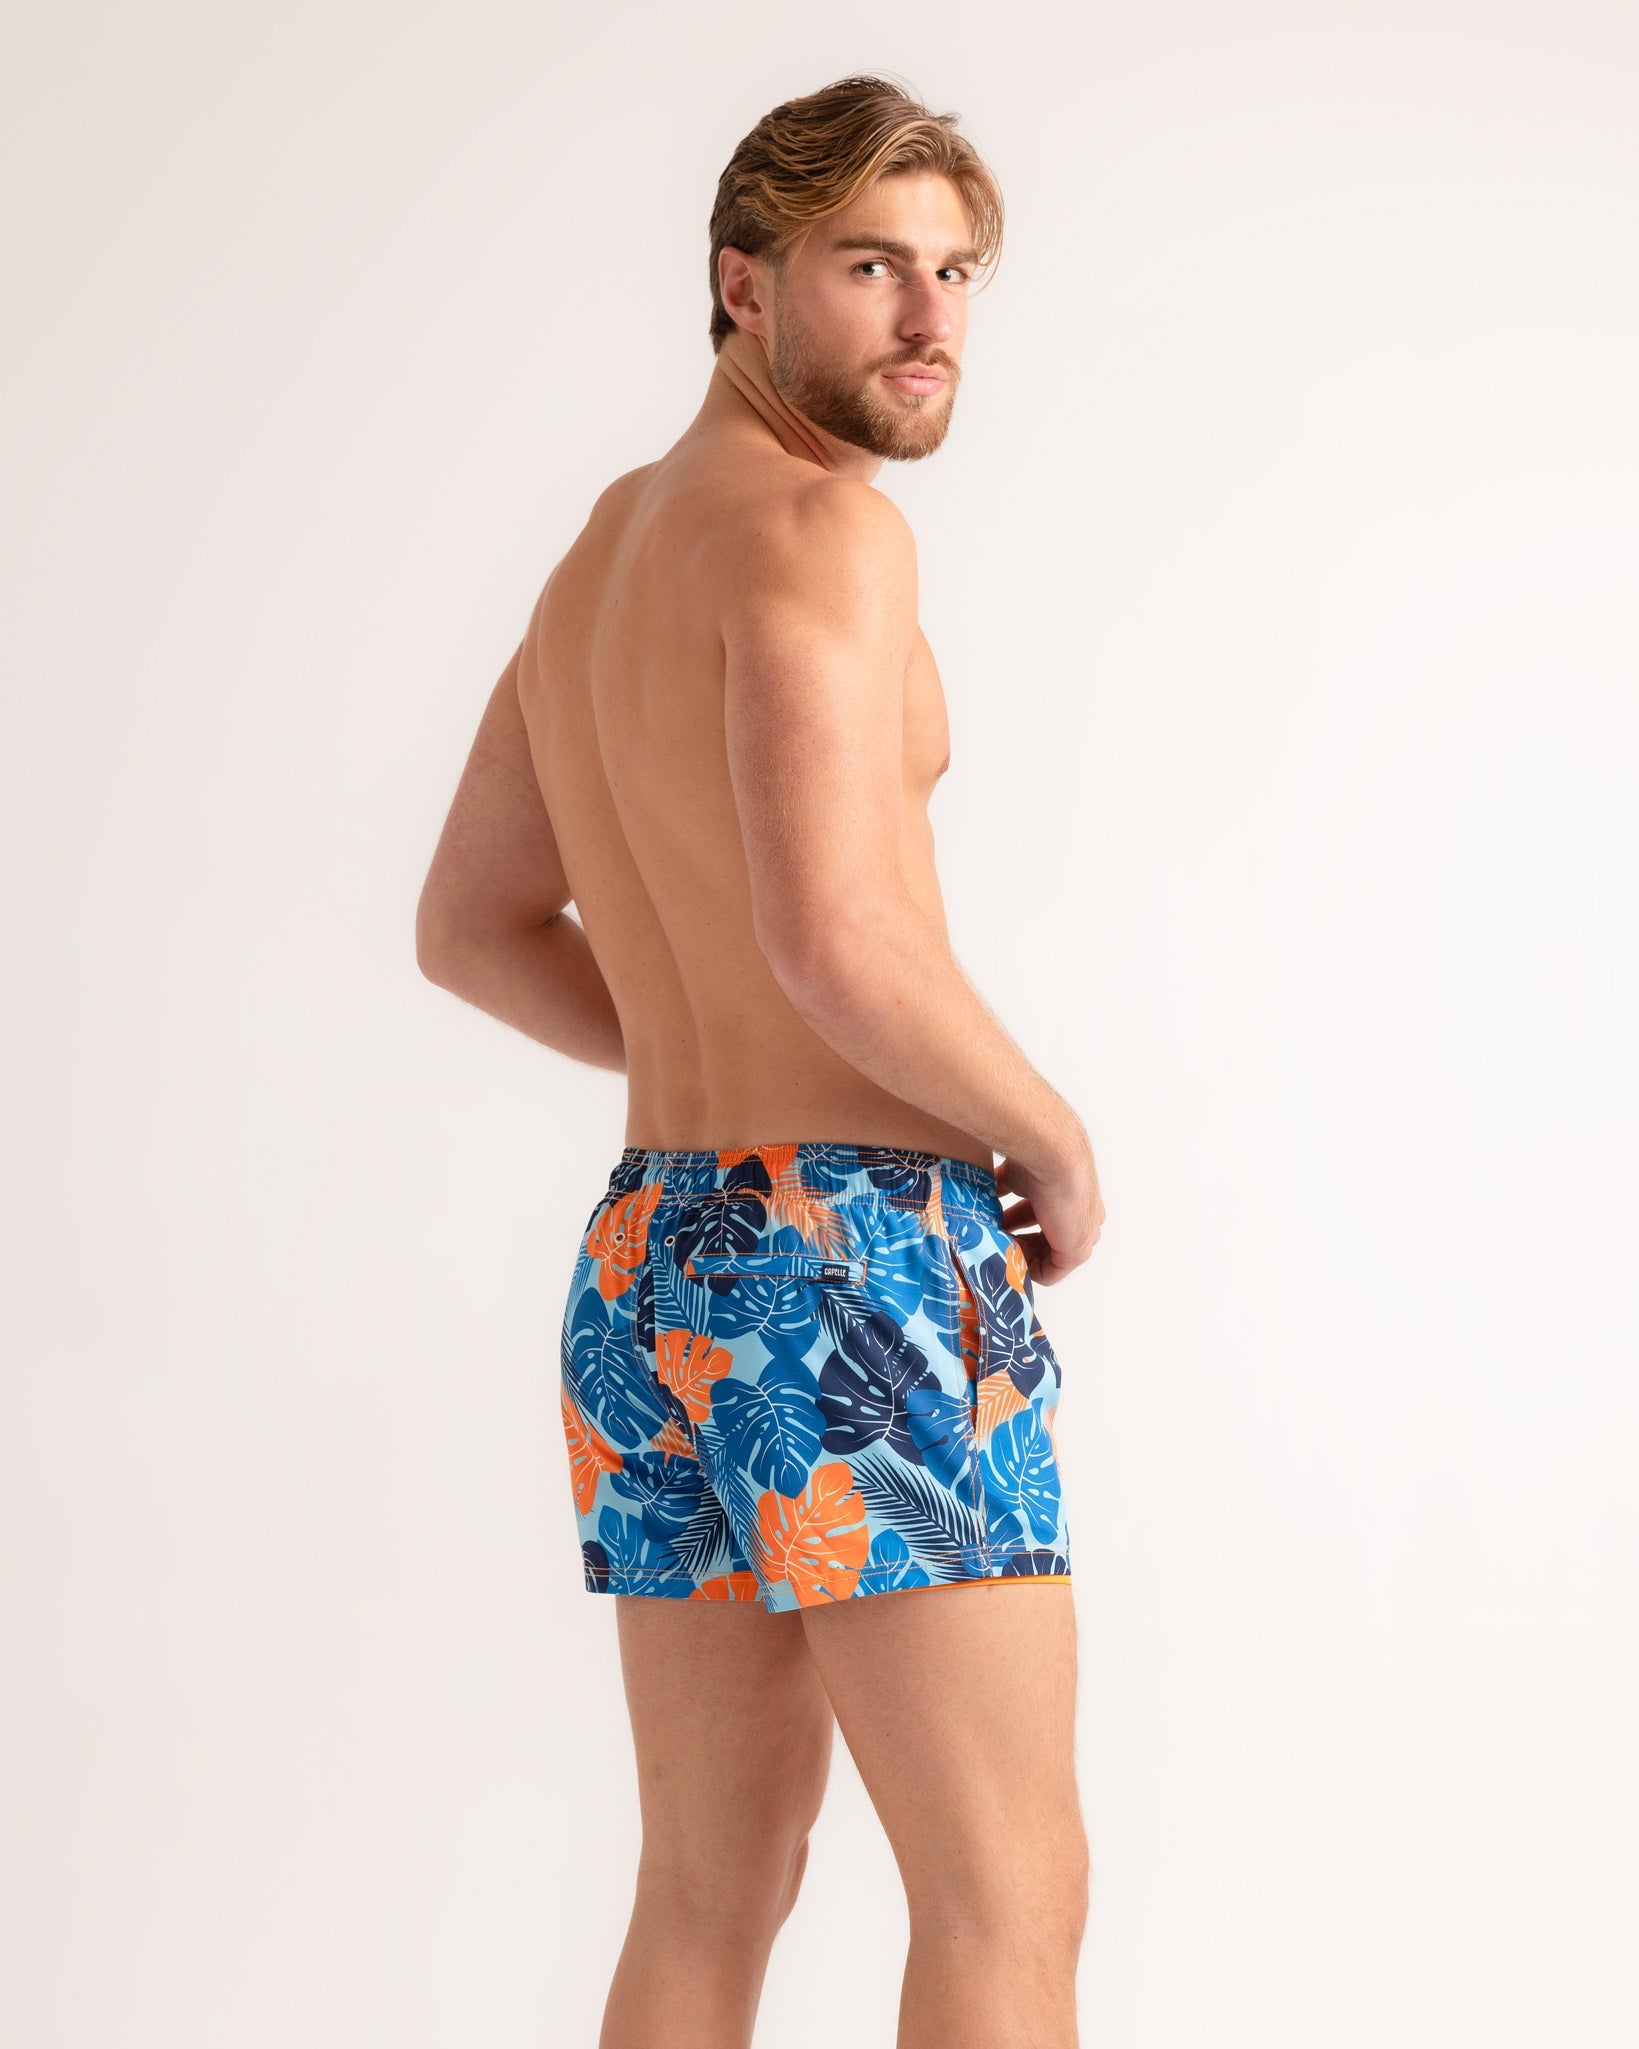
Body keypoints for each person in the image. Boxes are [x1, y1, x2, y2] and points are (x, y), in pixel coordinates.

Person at [417, 73, 1105, 2049]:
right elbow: (835, 934)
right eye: (872, 264)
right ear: (743, 281)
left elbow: (471, 926)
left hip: (662, 1256)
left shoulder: (604, 555)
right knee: (1009, 1891)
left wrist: (719, 1047)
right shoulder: (822, 528)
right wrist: (1040, 1127)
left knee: (712, 1889)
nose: (928, 317)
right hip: (866, 1264)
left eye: (956, 272)